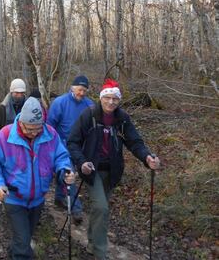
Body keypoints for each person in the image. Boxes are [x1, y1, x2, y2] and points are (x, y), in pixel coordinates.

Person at [68, 78, 161, 260]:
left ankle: (92, 243)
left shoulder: (122, 119)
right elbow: (73, 142)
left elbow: (134, 142)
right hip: (91, 170)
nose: (111, 102)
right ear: (101, 98)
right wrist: (81, 162)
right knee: (102, 208)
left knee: (99, 209)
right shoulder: (89, 115)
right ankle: (101, 253)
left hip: (112, 172)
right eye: (108, 98)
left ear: (119, 100)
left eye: (115, 99)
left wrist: (147, 157)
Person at [0, 97, 75, 260]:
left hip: (37, 199)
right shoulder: (5, 135)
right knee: (24, 243)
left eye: (37, 129)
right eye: (29, 129)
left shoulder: (50, 134)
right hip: (13, 198)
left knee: (24, 237)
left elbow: (61, 156)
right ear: (21, 122)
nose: (34, 133)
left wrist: (64, 171)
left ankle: (14, 252)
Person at [46, 75, 94, 224]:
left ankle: (60, 198)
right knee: (69, 174)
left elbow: (93, 127)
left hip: (80, 148)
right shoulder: (59, 103)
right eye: (79, 89)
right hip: (62, 147)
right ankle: (76, 209)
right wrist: (52, 146)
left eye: (84, 90)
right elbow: (50, 126)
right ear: (72, 88)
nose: (81, 93)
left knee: (67, 175)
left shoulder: (90, 105)